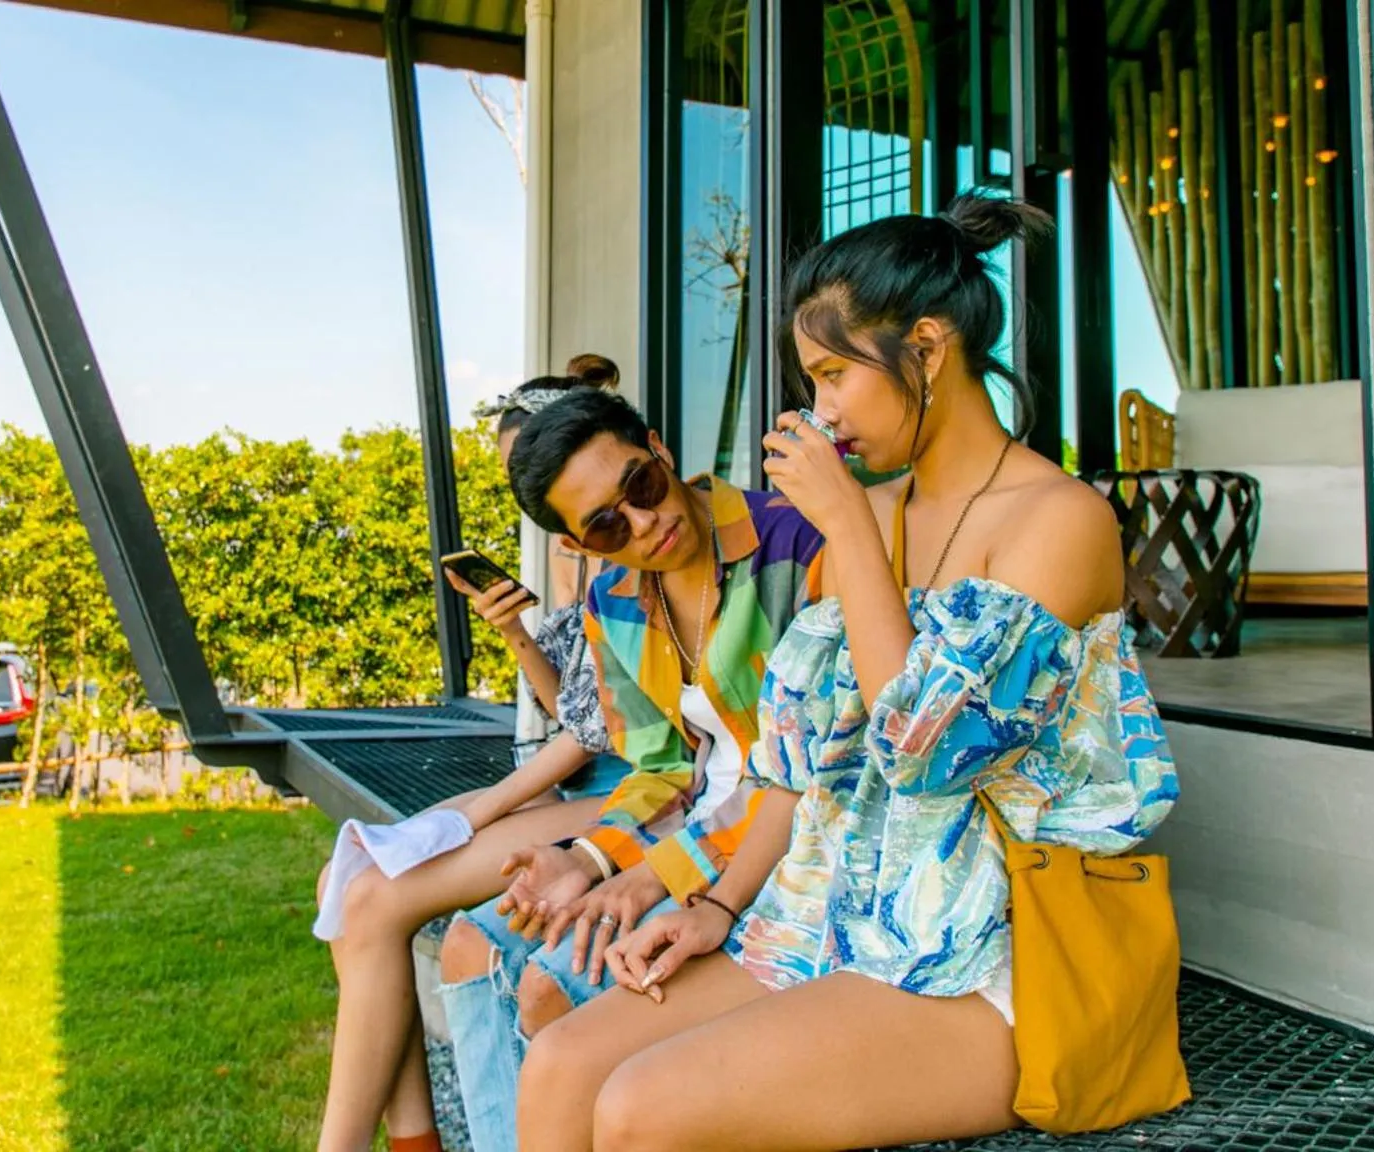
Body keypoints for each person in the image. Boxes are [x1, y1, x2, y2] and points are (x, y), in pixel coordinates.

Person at [513, 194, 1182, 1152]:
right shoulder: (881, 511)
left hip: (1003, 954)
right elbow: (805, 764)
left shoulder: (1058, 519)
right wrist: (713, 904)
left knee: (641, 1108)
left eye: (832, 374)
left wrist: (853, 536)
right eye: (810, 380)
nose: (819, 409)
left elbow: (931, 750)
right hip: (842, 911)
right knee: (564, 1066)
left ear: (925, 346)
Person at [438, 388, 825, 1152]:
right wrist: (584, 857)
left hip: (781, 849)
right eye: (608, 524)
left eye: (641, 486)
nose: (645, 523)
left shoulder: (794, 550)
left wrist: (653, 874)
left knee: (550, 983)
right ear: (581, 546)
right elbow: (659, 767)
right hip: (686, 835)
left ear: (660, 450)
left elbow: (806, 775)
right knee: (468, 945)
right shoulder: (611, 595)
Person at [314, 357, 627, 1152]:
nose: (520, 488)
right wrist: (518, 635)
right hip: (568, 778)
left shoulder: (621, 535)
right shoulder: (565, 547)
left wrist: (490, 805)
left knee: (380, 901)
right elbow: (573, 706)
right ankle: (411, 1139)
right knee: (345, 878)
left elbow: (604, 730)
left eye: (525, 468)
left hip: (630, 788)